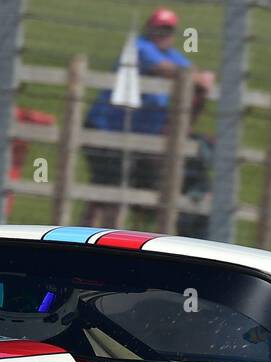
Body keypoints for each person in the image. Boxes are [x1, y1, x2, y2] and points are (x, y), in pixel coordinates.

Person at [81, 7, 214, 229]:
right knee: (110, 190)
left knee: (123, 192)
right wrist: (200, 78)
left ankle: (104, 237)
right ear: (148, 28)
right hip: (107, 130)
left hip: (138, 138)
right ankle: (94, 238)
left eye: (168, 30)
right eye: (159, 29)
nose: (162, 34)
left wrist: (202, 78)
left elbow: (192, 73)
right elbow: (173, 71)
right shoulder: (140, 48)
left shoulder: (170, 54)